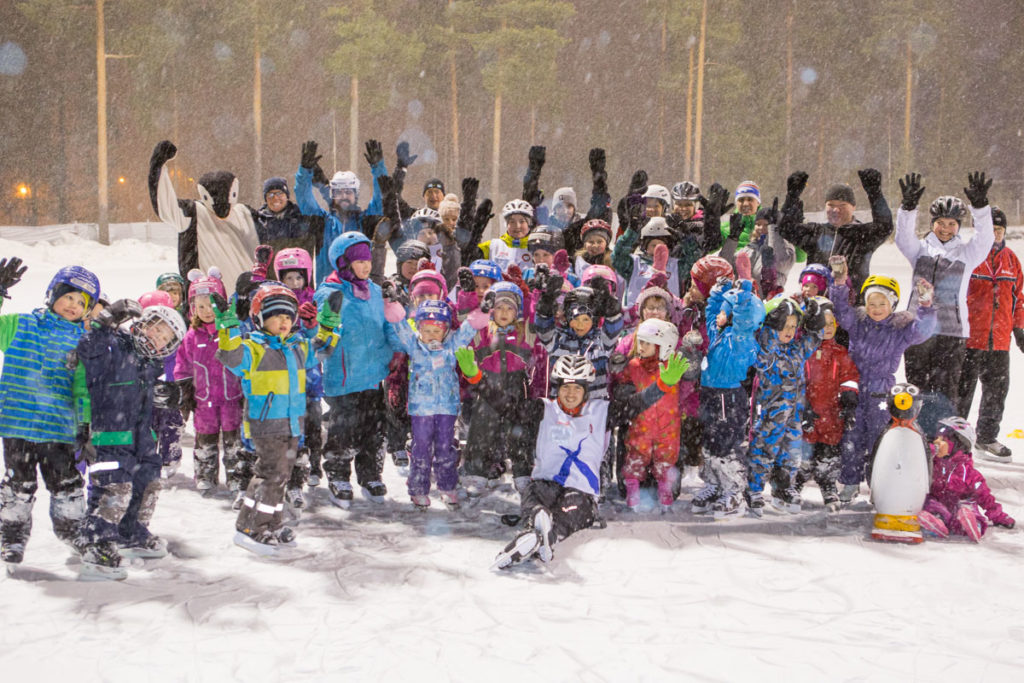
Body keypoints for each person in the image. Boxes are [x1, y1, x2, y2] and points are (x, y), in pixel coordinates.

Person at [482, 354, 684, 569]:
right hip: (545, 484)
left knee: (579, 512)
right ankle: (538, 525)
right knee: (533, 498)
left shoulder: (602, 412)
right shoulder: (543, 409)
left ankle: (544, 536)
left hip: (580, 490)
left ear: (585, 390)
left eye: (577, 389)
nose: (571, 394)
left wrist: (661, 386)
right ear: (557, 389)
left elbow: (636, 404)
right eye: (566, 388)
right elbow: (507, 407)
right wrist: (478, 380)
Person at [213, 284, 335, 556]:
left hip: (292, 422)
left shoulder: (296, 347)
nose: (284, 322)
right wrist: (229, 330)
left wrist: (326, 326)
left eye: (288, 317)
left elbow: (323, 350)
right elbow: (230, 357)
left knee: (282, 476)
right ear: (260, 319)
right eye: (276, 316)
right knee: (270, 474)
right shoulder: (253, 349)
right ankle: (251, 526)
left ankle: (272, 522)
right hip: (266, 423)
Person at [74, 301, 187, 579]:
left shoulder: (152, 364)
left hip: (142, 436)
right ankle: (97, 542)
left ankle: (131, 532)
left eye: (165, 338)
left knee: (148, 480)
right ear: (142, 324)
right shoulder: (113, 345)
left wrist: (169, 395)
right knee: (115, 486)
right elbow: (88, 350)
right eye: (156, 329)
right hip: (110, 432)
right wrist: (105, 322)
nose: (157, 338)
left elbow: (145, 397)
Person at [0, 261, 98, 565]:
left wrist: (85, 425)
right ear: (53, 293)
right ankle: (12, 538)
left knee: (67, 484)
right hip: (18, 424)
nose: (73, 305)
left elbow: (83, 388)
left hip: (59, 428)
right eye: (68, 296)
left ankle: (74, 532)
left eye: (81, 302)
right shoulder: (21, 325)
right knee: (19, 486)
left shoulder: (83, 342)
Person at [827, 256, 937, 503]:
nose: (876, 308)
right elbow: (841, 309)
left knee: (880, 438)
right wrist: (839, 282)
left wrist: (926, 305)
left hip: (881, 389)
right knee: (851, 437)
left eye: (882, 303)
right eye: (871, 303)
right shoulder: (858, 323)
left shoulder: (900, 329)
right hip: (854, 387)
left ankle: (879, 483)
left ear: (893, 304)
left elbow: (923, 330)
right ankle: (850, 482)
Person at [313, 232, 403, 506]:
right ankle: (338, 473)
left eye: (367, 261)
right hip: (345, 374)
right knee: (344, 429)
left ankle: (371, 473)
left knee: (375, 428)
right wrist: (327, 321)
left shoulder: (376, 292)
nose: (365, 266)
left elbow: (389, 324)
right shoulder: (329, 292)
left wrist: (397, 348)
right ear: (343, 262)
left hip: (374, 373)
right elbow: (322, 334)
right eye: (358, 261)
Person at [895, 172, 994, 406]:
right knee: (915, 390)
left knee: (945, 393)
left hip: (951, 333)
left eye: (952, 223)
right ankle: (915, 436)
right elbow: (902, 237)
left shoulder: (967, 254)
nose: (946, 228)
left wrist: (980, 208)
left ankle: (942, 440)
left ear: (959, 226)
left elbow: (985, 239)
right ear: (932, 224)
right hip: (918, 330)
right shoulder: (919, 251)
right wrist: (908, 208)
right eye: (940, 223)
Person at [391, 300, 485, 508]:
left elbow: (468, 330)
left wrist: (483, 311)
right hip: (421, 409)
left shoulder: (451, 345)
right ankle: (418, 489)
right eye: (427, 330)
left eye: (437, 331)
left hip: (447, 407)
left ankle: (447, 486)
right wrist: (392, 303)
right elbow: (400, 326)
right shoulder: (414, 346)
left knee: (445, 447)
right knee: (421, 448)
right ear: (419, 329)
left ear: (445, 332)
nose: (432, 336)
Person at [692, 279, 766, 518]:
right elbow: (711, 312)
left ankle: (733, 491)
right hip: (710, 393)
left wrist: (742, 298)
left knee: (727, 446)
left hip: (729, 397)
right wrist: (719, 293)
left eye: (727, 311)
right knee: (710, 443)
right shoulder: (718, 333)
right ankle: (713, 484)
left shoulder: (744, 338)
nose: (721, 316)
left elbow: (747, 317)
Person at [747, 296, 824, 515]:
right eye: (783, 326)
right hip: (769, 415)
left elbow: (815, 338)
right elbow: (760, 357)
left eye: (793, 326)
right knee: (764, 450)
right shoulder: (767, 351)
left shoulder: (797, 349)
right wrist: (771, 327)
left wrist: (815, 318)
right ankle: (753, 489)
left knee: (791, 452)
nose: (789, 331)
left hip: (793, 415)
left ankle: (783, 488)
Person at [957, 207, 1024, 462]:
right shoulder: (971, 256)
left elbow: (1019, 299)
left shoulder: (1011, 259)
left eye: (999, 229)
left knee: (997, 390)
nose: (995, 234)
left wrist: (1019, 328)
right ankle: (957, 438)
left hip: (1000, 340)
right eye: (991, 229)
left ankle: (986, 437)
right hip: (971, 337)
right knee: (963, 391)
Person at [148, 140, 260, 288]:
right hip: (204, 302)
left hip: (247, 301)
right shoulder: (193, 213)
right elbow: (165, 205)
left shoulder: (245, 213)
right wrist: (158, 165)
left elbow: (278, 229)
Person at [175, 268, 245, 499]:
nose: (206, 311)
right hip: (204, 401)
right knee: (205, 440)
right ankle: (205, 474)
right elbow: (182, 365)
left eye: (211, 305)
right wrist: (184, 389)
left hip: (232, 399)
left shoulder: (232, 331)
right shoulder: (192, 336)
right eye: (200, 306)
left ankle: (237, 475)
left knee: (235, 442)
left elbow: (243, 359)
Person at [777, 169, 893, 295]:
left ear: (853, 207)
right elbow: (786, 228)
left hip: (851, 306)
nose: (836, 210)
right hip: (817, 304)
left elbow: (885, 226)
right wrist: (792, 197)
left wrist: (875, 195)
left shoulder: (862, 235)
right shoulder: (816, 232)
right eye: (831, 205)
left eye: (842, 205)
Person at [620, 319, 689, 511]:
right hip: (641, 423)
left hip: (668, 425)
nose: (641, 347)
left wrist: (692, 357)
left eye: (647, 343)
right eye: (640, 342)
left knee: (666, 459)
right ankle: (633, 493)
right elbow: (624, 384)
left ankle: (665, 492)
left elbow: (687, 383)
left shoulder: (671, 366)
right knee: (635, 457)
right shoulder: (634, 365)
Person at [294, 139, 386, 285]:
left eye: (348, 192)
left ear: (355, 195)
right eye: (339, 192)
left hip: (358, 294)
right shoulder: (322, 222)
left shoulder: (365, 221)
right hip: (328, 293)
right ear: (332, 195)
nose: (344, 196)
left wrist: (378, 167)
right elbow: (303, 197)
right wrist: (305, 171)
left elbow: (382, 197)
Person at [800, 298, 858, 511]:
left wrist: (849, 400)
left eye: (831, 324)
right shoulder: (804, 351)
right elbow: (797, 381)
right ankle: (793, 485)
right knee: (803, 455)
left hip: (832, 415)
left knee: (829, 455)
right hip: (809, 414)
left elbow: (849, 377)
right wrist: (802, 405)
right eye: (822, 324)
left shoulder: (840, 353)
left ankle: (828, 486)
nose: (827, 328)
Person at [918, 417, 1015, 542]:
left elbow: (986, 498)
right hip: (939, 505)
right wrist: (930, 450)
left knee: (968, 506)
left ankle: (972, 524)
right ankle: (935, 524)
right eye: (937, 437)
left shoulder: (969, 473)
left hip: (959, 506)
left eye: (943, 439)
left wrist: (999, 517)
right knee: (930, 504)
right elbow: (920, 455)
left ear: (960, 444)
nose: (937, 442)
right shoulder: (932, 463)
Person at [250, 176, 322, 273]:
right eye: (270, 195)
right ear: (265, 199)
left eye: (279, 193)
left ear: (287, 196)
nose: (275, 198)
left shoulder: (302, 217)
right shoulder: (258, 221)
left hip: (299, 277)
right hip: (270, 279)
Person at [478, 199, 534, 273]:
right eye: (512, 222)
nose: (517, 226)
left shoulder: (536, 247)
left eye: (522, 221)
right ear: (506, 224)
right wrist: (476, 230)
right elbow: (470, 255)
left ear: (529, 224)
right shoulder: (493, 246)